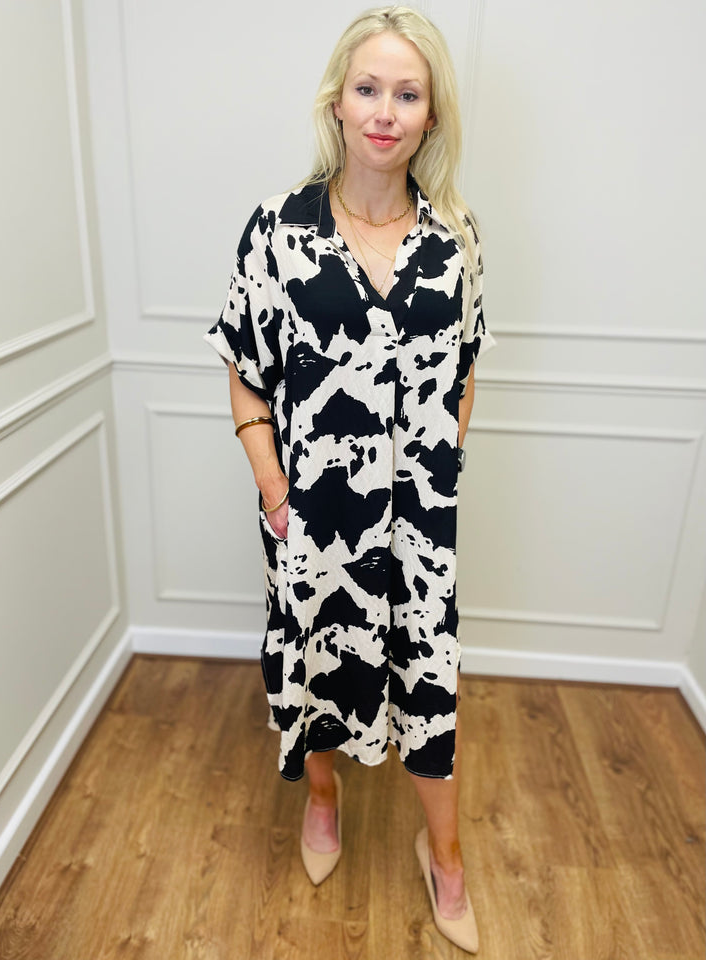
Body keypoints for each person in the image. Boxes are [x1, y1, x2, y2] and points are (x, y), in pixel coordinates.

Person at [204, 6, 495, 953]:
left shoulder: (456, 239)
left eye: (407, 94)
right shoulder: (277, 230)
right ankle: (321, 796)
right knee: (317, 661)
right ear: (338, 101)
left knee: (430, 683)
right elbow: (245, 366)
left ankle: (445, 856)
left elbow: (465, 369)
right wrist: (275, 491)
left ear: (431, 115)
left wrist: (438, 468)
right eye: (368, 89)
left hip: (420, 530)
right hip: (313, 516)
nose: (385, 111)